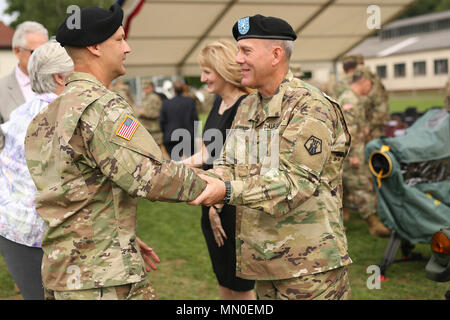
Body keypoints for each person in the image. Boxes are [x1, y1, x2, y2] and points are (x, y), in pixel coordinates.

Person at [24, 3, 206, 300]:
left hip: (64, 272)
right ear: (95, 46)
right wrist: (219, 186)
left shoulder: (44, 116)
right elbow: (150, 177)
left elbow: (72, 192)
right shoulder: (102, 107)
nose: (128, 48)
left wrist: (118, 231)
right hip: (103, 279)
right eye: (120, 39)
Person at [189, 14, 352, 300]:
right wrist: (196, 181)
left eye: (245, 51)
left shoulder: (310, 106)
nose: (237, 59)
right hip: (265, 264)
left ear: (276, 55)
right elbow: (228, 165)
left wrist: (224, 191)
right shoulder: (248, 105)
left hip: (309, 268)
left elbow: (294, 184)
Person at [181, 39, 255, 300]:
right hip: (212, 202)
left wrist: (218, 204)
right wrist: (169, 167)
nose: (203, 79)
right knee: (223, 277)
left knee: (241, 285)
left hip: (233, 206)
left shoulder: (246, 105)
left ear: (223, 70)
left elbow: (245, 162)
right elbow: (208, 152)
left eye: (207, 72)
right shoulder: (218, 103)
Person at [0, 40, 72, 300]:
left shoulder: (19, 114)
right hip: (40, 239)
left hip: (11, 232)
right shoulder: (64, 117)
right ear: (61, 77)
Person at [337, 67, 390, 237]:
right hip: (352, 153)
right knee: (362, 186)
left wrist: (364, 129)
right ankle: (373, 223)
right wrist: (352, 155)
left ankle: (338, 225)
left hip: (353, 150)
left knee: (342, 188)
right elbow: (348, 132)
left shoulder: (353, 99)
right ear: (364, 81)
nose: (370, 89)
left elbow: (354, 126)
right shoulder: (349, 100)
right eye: (370, 85)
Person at [0, 21, 48, 123]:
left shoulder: (60, 83)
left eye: (45, 51)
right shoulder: (2, 89)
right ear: (17, 51)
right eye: (35, 52)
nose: (42, 57)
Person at [160, 79, 199, 159]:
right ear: (183, 88)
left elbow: (162, 121)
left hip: (170, 136)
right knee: (190, 162)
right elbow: (195, 120)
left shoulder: (166, 103)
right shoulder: (190, 102)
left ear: (174, 89)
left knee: (175, 163)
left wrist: (166, 132)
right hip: (187, 135)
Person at [136, 79, 163, 146]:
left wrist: (142, 113)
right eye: (144, 88)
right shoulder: (145, 97)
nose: (145, 90)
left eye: (147, 88)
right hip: (147, 129)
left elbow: (156, 113)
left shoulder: (154, 98)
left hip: (154, 130)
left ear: (152, 87)